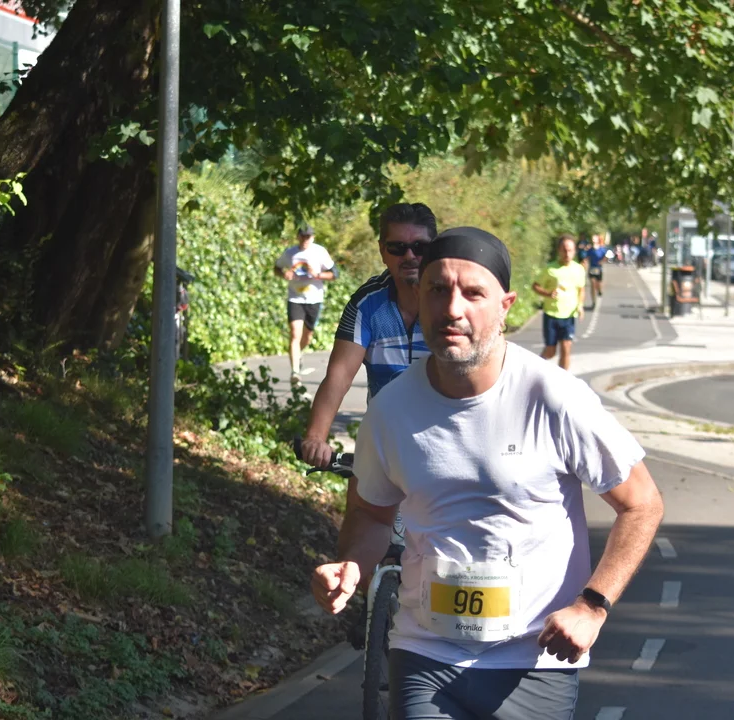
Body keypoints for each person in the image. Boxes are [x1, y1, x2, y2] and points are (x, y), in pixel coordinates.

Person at [311, 226, 664, 720]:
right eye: (437, 290)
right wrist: (352, 565)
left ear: (506, 306)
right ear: (420, 298)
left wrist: (592, 605)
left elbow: (641, 503)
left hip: (534, 662)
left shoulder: (553, 397)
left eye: (473, 293)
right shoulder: (390, 410)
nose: (452, 309)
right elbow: (371, 513)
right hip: (424, 653)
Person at [299, 202, 437, 470]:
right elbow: (339, 376)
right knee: (361, 497)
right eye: (397, 248)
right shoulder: (366, 304)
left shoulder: (453, 300)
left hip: (445, 444)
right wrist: (316, 437)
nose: (409, 255)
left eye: (420, 247)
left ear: (435, 249)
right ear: (383, 251)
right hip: (385, 446)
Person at [273, 226, 337, 383]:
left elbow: (334, 274)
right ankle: (295, 371)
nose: (305, 239)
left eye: (308, 237)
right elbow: (277, 268)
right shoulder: (290, 253)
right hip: (295, 298)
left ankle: (298, 354)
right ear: (298, 237)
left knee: (307, 337)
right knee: (295, 333)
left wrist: (318, 275)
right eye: (302, 236)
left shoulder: (320, 252)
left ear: (313, 237)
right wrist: (284, 274)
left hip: (314, 299)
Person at [533, 234, 586, 371]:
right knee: (550, 351)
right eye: (564, 250)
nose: (567, 253)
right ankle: (533, 371)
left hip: (569, 315)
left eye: (570, 250)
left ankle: (563, 379)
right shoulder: (550, 269)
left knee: (566, 348)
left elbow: (581, 290)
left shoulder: (579, 269)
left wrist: (580, 306)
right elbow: (535, 286)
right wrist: (548, 293)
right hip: (551, 314)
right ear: (559, 250)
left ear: (574, 251)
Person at [582, 234, 610, 300]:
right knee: (592, 283)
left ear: (598, 240)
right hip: (592, 268)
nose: (593, 239)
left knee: (598, 284)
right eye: (592, 238)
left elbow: (607, 256)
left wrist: (602, 261)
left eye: (594, 238)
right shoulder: (590, 249)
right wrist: (584, 262)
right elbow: (586, 257)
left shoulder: (602, 249)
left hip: (598, 268)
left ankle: (599, 290)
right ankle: (593, 301)